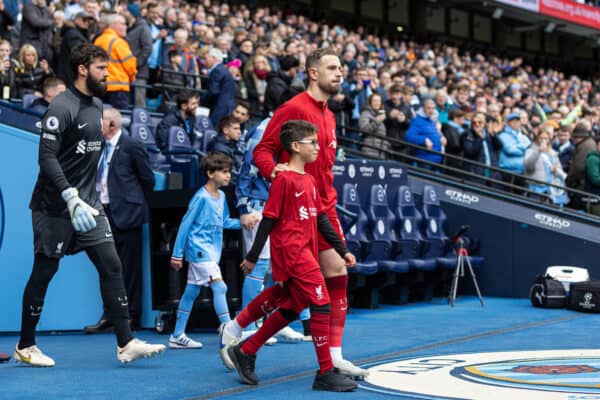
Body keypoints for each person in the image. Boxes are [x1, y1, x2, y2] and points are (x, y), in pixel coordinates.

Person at [15, 43, 164, 367]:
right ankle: (26, 345)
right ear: (82, 69)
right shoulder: (61, 107)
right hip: (54, 206)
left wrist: (86, 198)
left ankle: (125, 343)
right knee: (44, 272)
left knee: (111, 265)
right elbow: (47, 157)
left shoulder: (97, 105)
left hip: (89, 206)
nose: (107, 73)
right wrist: (69, 196)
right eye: (101, 68)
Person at [234, 48, 369, 378]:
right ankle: (326, 362)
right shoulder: (293, 108)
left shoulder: (330, 115)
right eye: (332, 68)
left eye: (341, 68)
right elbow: (263, 150)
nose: (340, 73)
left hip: (325, 206)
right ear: (312, 72)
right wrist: (275, 173)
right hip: (300, 211)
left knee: (315, 285)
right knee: (316, 286)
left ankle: (245, 338)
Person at [226, 120, 357, 392]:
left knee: (293, 304)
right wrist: (252, 255)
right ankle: (325, 372)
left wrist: (342, 249)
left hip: (305, 251)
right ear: (296, 147)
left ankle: (247, 349)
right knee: (320, 301)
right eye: (313, 143)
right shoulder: (283, 180)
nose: (318, 148)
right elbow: (268, 220)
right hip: (292, 252)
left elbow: (321, 219)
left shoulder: (309, 180)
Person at [83, 108, 155, 333]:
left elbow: (148, 179)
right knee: (107, 268)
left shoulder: (132, 145)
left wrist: (132, 203)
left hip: (127, 215)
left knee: (130, 269)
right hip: (103, 214)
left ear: (112, 125)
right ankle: (110, 316)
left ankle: (131, 316)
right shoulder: (99, 148)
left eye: (100, 123)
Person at [168, 152, 248, 349]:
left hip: (212, 253)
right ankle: (229, 330)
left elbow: (225, 222)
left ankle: (177, 335)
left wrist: (245, 222)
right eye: (224, 172)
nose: (228, 176)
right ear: (211, 173)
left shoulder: (221, 196)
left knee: (191, 292)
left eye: (229, 172)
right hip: (199, 251)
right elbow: (185, 225)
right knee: (220, 287)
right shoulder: (200, 198)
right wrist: (177, 254)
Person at [94, 14, 137, 109]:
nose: (125, 27)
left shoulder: (98, 40)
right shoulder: (118, 42)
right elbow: (130, 65)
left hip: (100, 86)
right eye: (122, 24)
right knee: (117, 119)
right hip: (118, 88)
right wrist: (132, 78)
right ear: (113, 25)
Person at [524, 130, 568, 205]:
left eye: (546, 138)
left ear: (549, 140)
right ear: (537, 139)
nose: (543, 140)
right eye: (541, 138)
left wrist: (556, 170)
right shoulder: (531, 150)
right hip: (536, 190)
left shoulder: (553, 153)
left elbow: (559, 169)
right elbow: (528, 166)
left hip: (550, 191)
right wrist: (538, 152)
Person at [460, 113, 502, 186]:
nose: (477, 124)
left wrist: (493, 134)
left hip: (492, 173)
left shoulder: (489, 133)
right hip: (475, 174)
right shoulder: (467, 134)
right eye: (474, 122)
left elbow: (500, 146)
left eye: (480, 122)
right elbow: (470, 152)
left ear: (485, 123)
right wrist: (479, 138)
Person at [123, 2, 152, 108]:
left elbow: (147, 48)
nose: (124, 13)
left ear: (131, 13)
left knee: (139, 103)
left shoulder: (143, 27)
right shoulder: (129, 27)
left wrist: (136, 63)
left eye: (126, 11)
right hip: (128, 71)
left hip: (139, 73)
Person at [55, 11, 92, 87]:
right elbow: (80, 53)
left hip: (73, 74)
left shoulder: (81, 33)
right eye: (84, 20)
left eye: (89, 21)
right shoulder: (73, 34)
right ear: (77, 20)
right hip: (70, 75)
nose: (87, 22)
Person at [405, 98, 446, 166]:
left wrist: (441, 137)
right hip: (425, 161)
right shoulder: (417, 120)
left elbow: (433, 134)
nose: (431, 111)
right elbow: (409, 136)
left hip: (437, 161)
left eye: (433, 108)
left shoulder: (432, 121)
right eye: (428, 108)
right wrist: (424, 140)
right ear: (423, 108)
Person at [203, 48, 236, 127]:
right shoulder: (222, 69)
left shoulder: (217, 70)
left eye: (206, 58)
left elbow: (213, 91)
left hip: (219, 108)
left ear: (214, 58)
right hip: (226, 107)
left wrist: (201, 101)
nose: (205, 61)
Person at [567, 122, 596, 209]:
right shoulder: (588, 143)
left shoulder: (585, 146)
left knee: (574, 211)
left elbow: (578, 168)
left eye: (574, 137)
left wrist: (568, 182)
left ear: (579, 137)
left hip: (581, 185)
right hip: (583, 185)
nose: (573, 140)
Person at [207, 115, 244, 183]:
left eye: (239, 129)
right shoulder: (219, 149)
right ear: (225, 130)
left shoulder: (233, 145)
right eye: (236, 128)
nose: (239, 132)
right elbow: (229, 175)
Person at [359, 92, 389, 159]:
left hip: (381, 149)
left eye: (379, 101)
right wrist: (377, 121)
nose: (377, 103)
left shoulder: (380, 114)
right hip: (370, 148)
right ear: (370, 102)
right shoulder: (365, 113)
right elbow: (364, 129)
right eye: (375, 101)